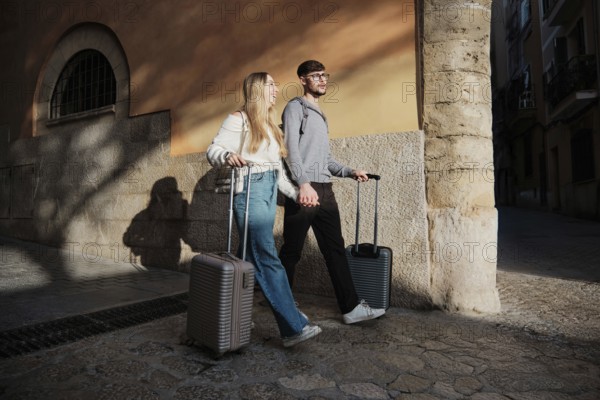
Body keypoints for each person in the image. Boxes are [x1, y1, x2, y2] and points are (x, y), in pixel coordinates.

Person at [207, 72, 321, 347]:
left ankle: (226, 315)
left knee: (247, 259)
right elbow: (213, 149)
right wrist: (226, 155)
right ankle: (292, 326)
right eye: (271, 85)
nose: (276, 89)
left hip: (268, 189)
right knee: (267, 257)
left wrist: (296, 194)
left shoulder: (270, 125)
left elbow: (278, 173)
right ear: (258, 90)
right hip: (249, 190)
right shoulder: (238, 119)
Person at [279, 60, 386, 324]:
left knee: (335, 250)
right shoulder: (295, 108)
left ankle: (350, 309)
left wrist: (350, 171)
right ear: (303, 79)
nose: (322, 80)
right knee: (292, 251)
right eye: (316, 76)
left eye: (324, 75)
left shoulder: (319, 114)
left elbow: (325, 158)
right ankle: (280, 302)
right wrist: (302, 183)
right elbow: (290, 148)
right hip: (304, 189)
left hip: (325, 190)